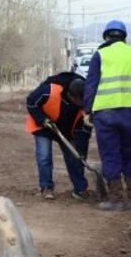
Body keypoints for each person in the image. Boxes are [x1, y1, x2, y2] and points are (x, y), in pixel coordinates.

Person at [84, 20, 131, 211]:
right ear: (124, 37)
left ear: (106, 37)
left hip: (105, 114)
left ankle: (116, 199)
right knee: (130, 153)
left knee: (110, 154)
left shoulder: (101, 54)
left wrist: (88, 110)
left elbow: (91, 84)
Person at [25, 73, 91, 201]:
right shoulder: (49, 90)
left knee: (74, 157)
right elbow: (31, 102)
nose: (82, 104)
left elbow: (84, 131)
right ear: (71, 96)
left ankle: (80, 189)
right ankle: (46, 187)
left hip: (67, 130)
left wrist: (81, 152)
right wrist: (42, 119)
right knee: (44, 156)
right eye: (79, 101)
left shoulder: (87, 103)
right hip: (45, 125)